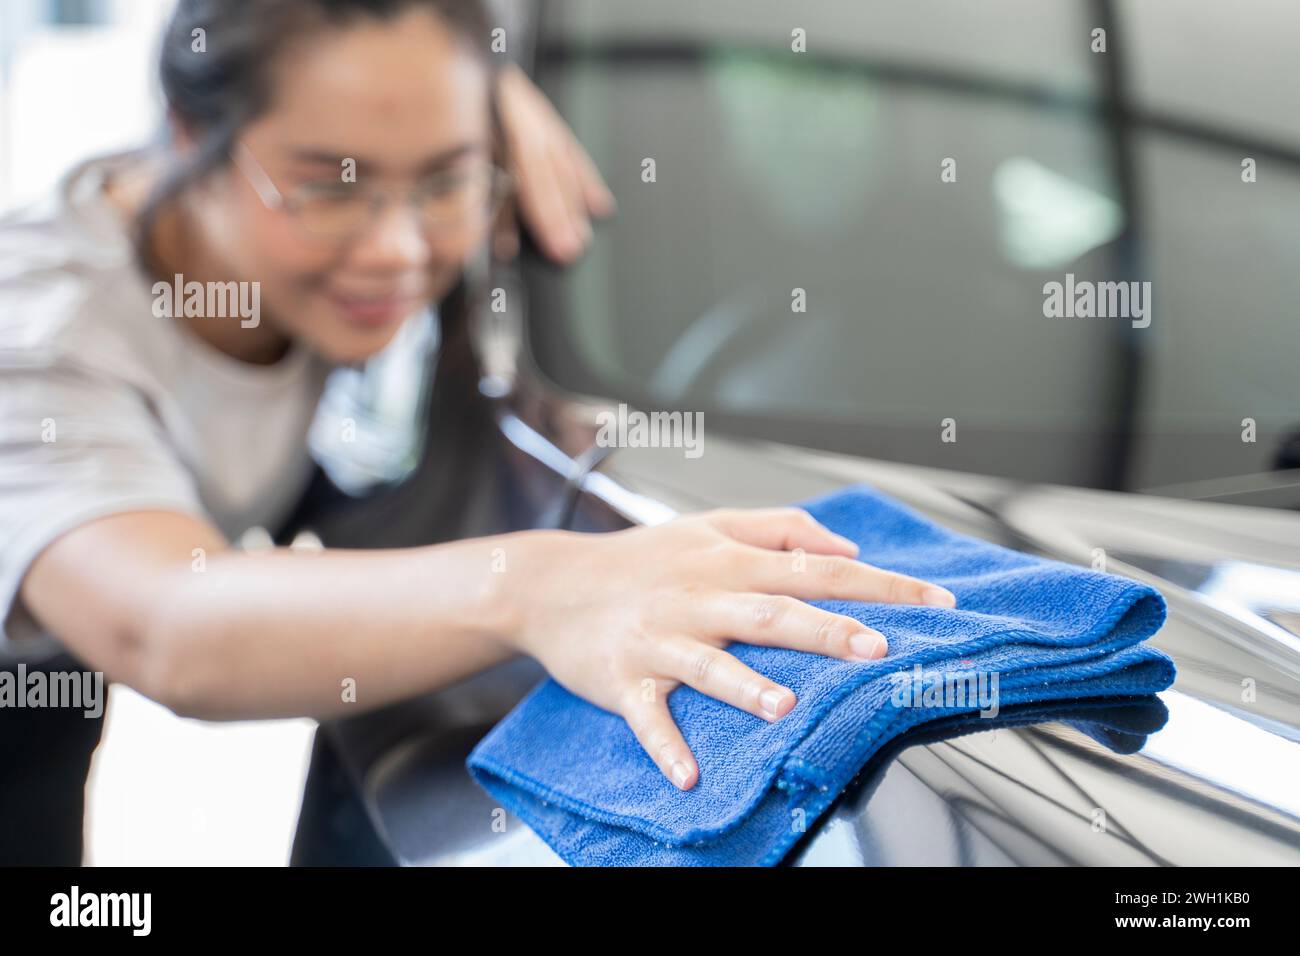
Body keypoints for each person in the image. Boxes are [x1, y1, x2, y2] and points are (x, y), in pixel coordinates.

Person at [0, 0, 956, 864]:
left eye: (445, 184)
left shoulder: (343, 187)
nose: (400, 252)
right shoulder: (35, 334)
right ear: (185, 136)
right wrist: (545, 587)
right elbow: (167, 623)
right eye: (332, 188)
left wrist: (478, 81)